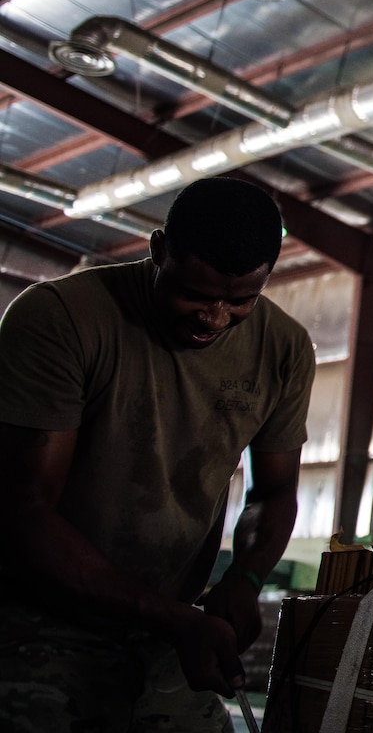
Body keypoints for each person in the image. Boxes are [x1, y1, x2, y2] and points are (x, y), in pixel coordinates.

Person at [0, 177, 316, 731]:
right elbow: (23, 509)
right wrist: (174, 619)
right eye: (195, 294)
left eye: (240, 300)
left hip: (167, 629)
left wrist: (244, 579)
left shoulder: (283, 349)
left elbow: (274, 493)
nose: (214, 317)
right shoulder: (61, 318)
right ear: (158, 251)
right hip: (35, 617)